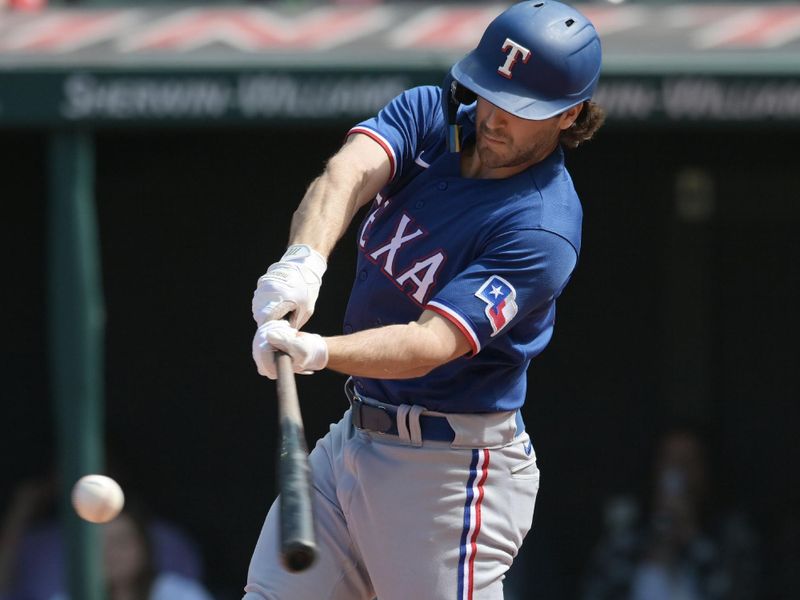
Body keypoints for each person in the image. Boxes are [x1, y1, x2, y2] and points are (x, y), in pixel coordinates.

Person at [246, 1, 605, 598]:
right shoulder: (432, 115)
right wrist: (303, 262)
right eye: (490, 92)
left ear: (569, 115)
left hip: (448, 471)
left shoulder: (542, 226)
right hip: (355, 436)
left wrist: (317, 350)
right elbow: (346, 174)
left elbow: (431, 342)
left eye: (519, 109)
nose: (492, 117)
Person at [581, 428, 761, 600]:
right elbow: (598, 589)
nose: (677, 471)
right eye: (669, 460)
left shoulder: (731, 535)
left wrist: (692, 539)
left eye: (688, 462)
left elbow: (735, 592)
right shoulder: (627, 533)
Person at [48, 506, 214, 600]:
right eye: (99, 545)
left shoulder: (180, 595)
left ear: (143, 547)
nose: (111, 553)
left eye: (120, 542)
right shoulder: (70, 597)